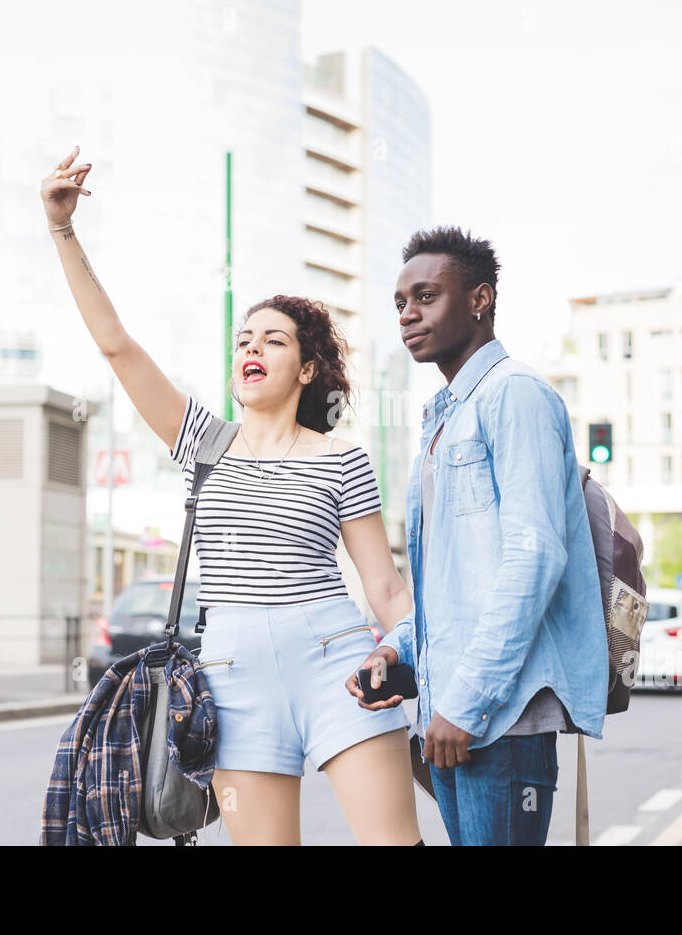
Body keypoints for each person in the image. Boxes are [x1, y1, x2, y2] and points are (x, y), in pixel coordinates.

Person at [41, 145, 421, 845]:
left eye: (273, 340)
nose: (252, 348)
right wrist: (63, 229)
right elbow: (116, 345)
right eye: (244, 338)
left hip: (337, 657)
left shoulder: (343, 459)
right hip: (232, 676)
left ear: (307, 368)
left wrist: (402, 650)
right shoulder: (201, 441)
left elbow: (386, 587)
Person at [347, 225, 609, 846]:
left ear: (479, 299)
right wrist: (397, 648)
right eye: (401, 303)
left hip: (498, 717)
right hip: (456, 717)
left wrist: (465, 703)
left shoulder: (515, 395)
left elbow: (533, 557)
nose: (409, 314)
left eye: (427, 296)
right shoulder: (444, 418)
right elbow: (455, 586)